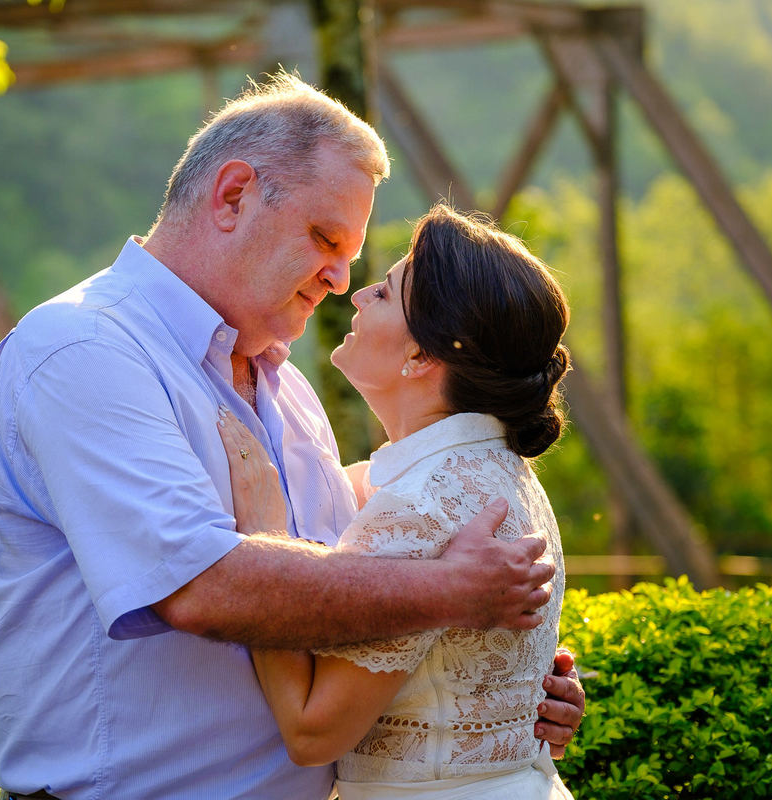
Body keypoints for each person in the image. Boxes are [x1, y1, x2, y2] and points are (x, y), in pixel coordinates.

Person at [0, 73, 583, 799]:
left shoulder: (287, 390)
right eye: (326, 239)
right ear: (234, 195)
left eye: (354, 256)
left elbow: (357, 584)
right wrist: (452, 594)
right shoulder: (84, 350)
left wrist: (491, 698)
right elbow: (201, 587)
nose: (341, 280)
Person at [217, 204, 574, 799]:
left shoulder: (420, 504)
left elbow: (311, 731)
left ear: (421, 358)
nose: (356, 296)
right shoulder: (502, 472)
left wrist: (261, 534)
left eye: (383, 293)